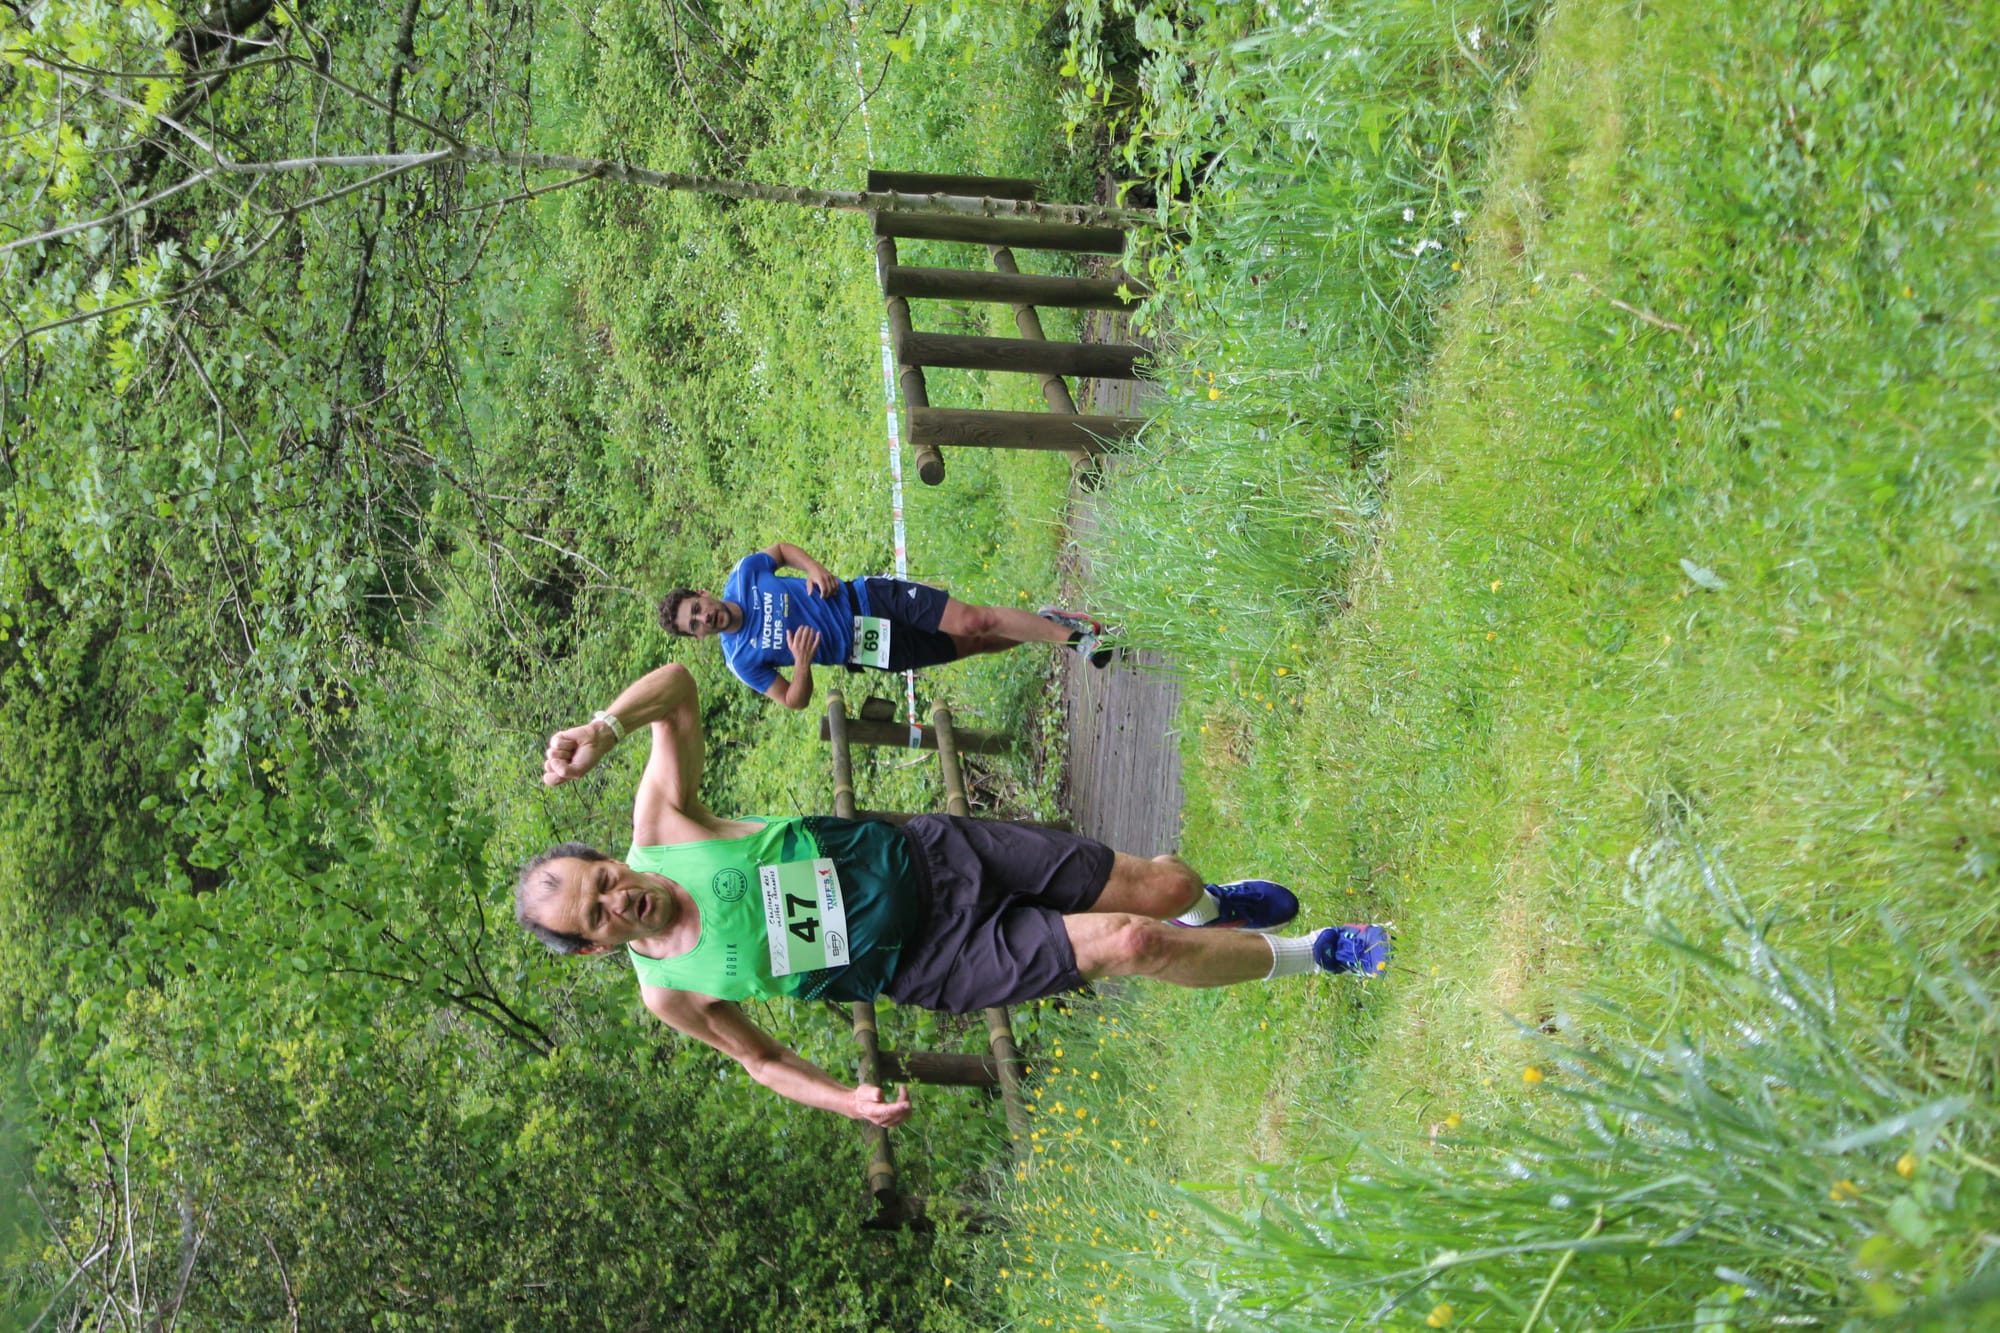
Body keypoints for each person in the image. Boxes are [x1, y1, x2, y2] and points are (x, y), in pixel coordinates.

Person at [515, 661, 1392, 1126]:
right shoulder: (669, 990)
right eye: (596, 916)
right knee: (1132, 944)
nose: (616, 899)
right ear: (594, 946)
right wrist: (845, 1097)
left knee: (1163, 887)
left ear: (610, 861)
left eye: (603, 881)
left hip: (938, 858)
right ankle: (1322, 955)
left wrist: (601, 729)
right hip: (933, 962)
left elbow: (678, 687)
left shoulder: (664, 823)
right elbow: (760, 1059)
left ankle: (1209, 904)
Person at [658, 539, 1111, 710]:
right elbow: (793, 700)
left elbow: (780, 550)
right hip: (868, 649)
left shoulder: (744, 576)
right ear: (696, 637)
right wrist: (800, 664)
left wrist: (814, 569)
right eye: (694, 625)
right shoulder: (741, 660)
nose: (704, 618)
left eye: (697, 609)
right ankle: (1048, 624)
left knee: (973, 621)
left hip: (870, 598)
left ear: (703, 593)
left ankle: (1077, 640)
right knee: (973, 644)